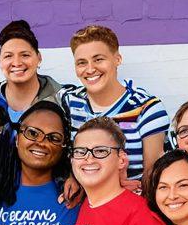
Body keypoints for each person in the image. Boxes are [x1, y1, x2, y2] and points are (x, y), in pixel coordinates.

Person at [62, 25, 168, 189]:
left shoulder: (146, 108)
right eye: (82, 62)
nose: (90, 69)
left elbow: (153, 174)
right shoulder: (69, 102)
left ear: (117, 59)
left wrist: (119, 192)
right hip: (85, 198)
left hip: (131, 200)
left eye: (98, 59)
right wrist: (72, 177)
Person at [0, 20, 63, 122]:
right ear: (0, 61)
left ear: (39, 57)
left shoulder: (65, 100)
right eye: (8, 56)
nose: (17, 63)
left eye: (25, 55)